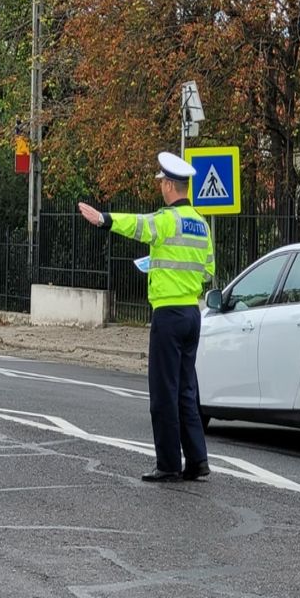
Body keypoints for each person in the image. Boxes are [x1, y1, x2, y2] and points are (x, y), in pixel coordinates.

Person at [78, 152, 215, 482]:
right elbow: (208, 272)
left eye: (162, 184)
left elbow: (137, 225)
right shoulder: (202, 225)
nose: (161, 190)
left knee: (163, 392)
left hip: (167, 316)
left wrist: (104, 219)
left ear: (169, 185)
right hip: (192, 314)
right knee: (186, 390)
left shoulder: (167, 220)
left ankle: (168, 464)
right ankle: (197, 460)